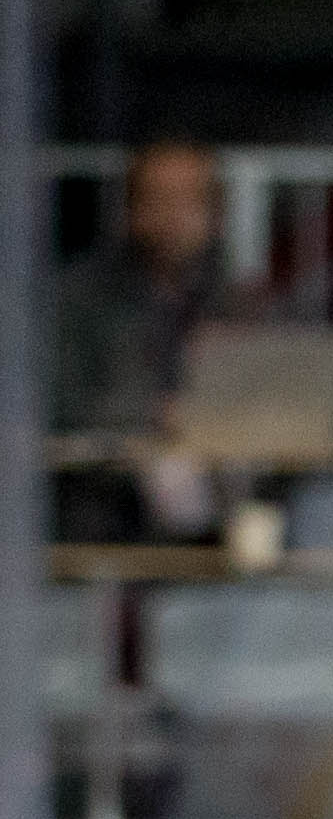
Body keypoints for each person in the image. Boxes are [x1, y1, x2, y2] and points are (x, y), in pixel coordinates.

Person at [50, 136, 240, 543]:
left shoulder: (236, 300)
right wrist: (156, 417)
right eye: (160, 199)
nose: (176, 216)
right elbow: (61, 398)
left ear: (215, 213)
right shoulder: (80, 296)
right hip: (106, 490)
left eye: (191, 200)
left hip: (219, 479)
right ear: (132, 210)